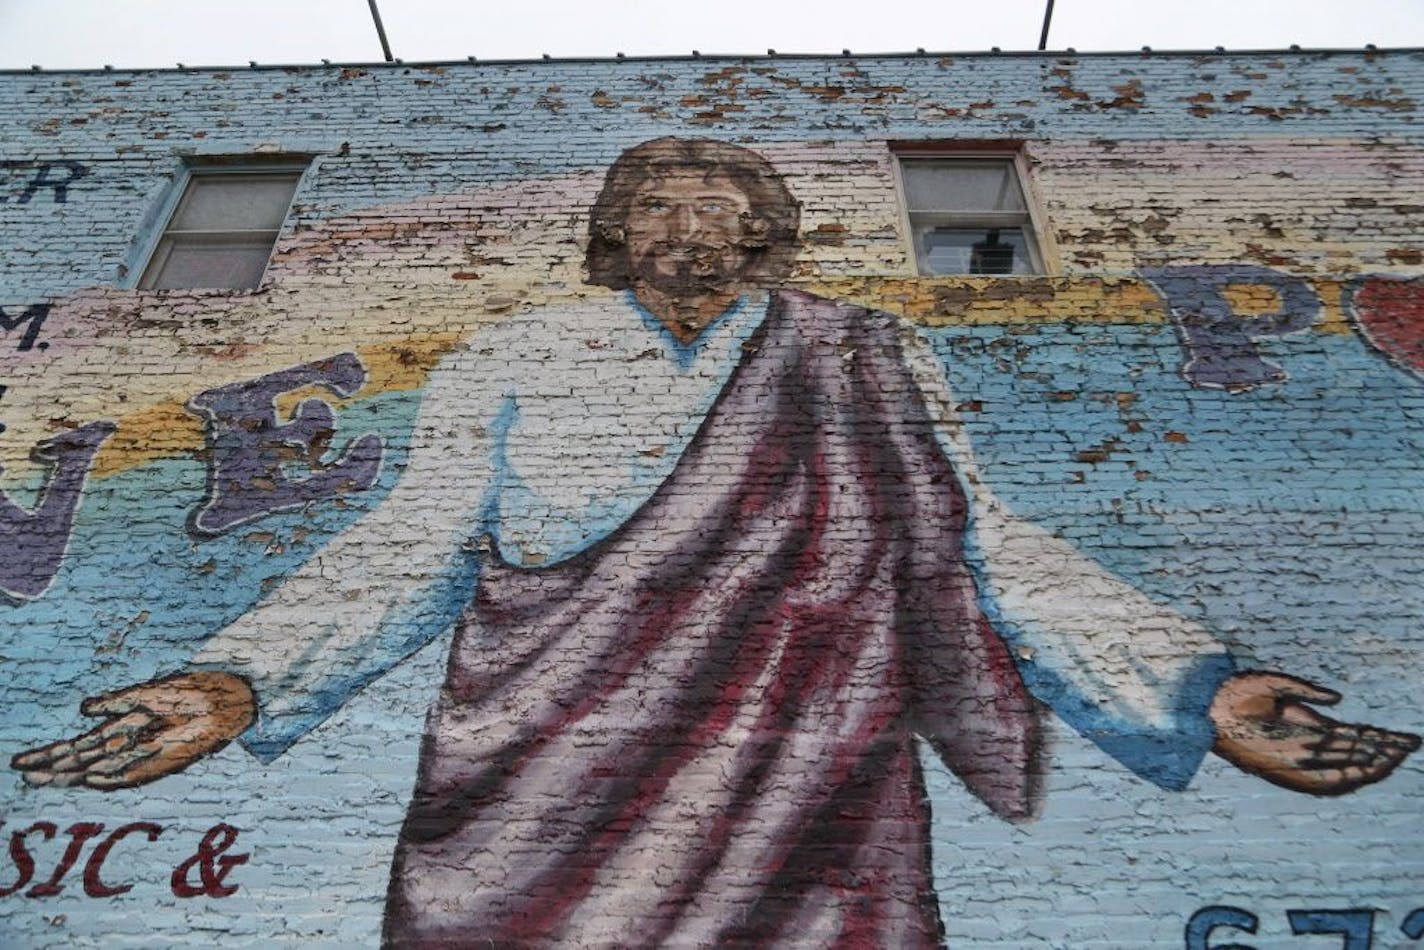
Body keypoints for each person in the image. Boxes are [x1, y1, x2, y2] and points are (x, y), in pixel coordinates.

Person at [14, 138, 1419, 947]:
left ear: (768, 234)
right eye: (659, 206)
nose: (690, 224)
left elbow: (987, 546)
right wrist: (232, 681)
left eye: (724, 207)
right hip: (534, 781)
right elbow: (410, 545)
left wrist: (1202, 690)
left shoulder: (868, 353)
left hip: (812, 785)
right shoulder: (519, 352)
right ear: (614, 232)